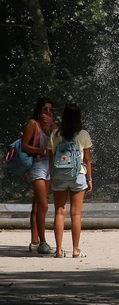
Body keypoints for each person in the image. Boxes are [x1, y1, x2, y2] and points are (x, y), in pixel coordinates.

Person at [48, 103, 93, 258]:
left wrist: (52, 175)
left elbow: (51, 157)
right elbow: (87, 159)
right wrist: (89, 179)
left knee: (59, 212)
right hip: (78, 175)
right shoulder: (83, 134)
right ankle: (75, 250)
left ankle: (59, 250)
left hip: (59, 176)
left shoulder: (55, 134)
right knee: (76, 214)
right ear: (79, 117)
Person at [22, 97, 58, 254]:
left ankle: (34, 241)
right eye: (45, 109)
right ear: (39, 110)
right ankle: (43, 242)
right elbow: (24, 145)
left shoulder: (52, 127)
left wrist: (51, 125)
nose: (47, 113)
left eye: (50, 110)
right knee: (43, 204)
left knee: (37, 203)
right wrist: (43, 151)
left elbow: (61, 138)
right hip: (37, 164)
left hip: (48, 166)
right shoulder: (32, 124)